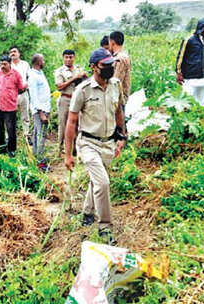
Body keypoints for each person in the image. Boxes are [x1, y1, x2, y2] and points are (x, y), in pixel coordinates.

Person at [64, 48, 127, 243]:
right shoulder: (82, 91)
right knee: (103, 182)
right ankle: (105, 227)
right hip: (88, 143)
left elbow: (119, 112)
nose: (109, 69)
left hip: (108, 143)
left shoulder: (115, 85)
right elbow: (71, 122)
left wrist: (122, 135)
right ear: (93, 67)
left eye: (111, 65)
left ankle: (87, 213)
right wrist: (68, 154)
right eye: (105, 66)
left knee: (96, 181)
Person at [0, 55, 27, 157]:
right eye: (1, 64)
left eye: (4, 64)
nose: (2, 66)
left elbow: (21, 88)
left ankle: (11, 149)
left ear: (9, 64)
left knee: (11, 129)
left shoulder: (16, 75)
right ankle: (1, 147)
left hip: (10, 106)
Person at [54, 49, 88, 153]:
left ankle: (74, 148)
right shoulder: (59, 71)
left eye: (71, 57)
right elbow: (59, 87)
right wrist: (74, 78)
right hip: (66, 99)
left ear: (74, 57)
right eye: (66, 57)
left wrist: (85, 77)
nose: (69, 59)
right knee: (63, 124)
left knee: (77, 124)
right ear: (63, 58)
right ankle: (61, 148)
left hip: (77, 100)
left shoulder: (79, 69)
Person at [175, 18, 204, 107]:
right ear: (202, 27)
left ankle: (200, 119)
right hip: (190, 77)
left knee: (203, 105)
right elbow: (180, 56)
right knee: (186, 104)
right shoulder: (189, 40)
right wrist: (178, 72)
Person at [28, 54, 51, 171]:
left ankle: (36, 156)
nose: (44, 62)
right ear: (38, 62)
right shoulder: (33, 76)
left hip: (44, 108)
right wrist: (41, 112)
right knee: (41, 135)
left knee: (38, 133)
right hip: (39, 111)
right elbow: (34, 97)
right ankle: (41, 164)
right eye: (43, 60)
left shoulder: (39, 73)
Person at [9, 46, 32, 144]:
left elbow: (30, 76)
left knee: (25, 115)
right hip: (12, 94)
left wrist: (27, 84)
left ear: (19, 53)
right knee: (10, 116)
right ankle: (10, 137)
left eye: (14, 51)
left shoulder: (25, 64)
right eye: (11, 52)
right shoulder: (8, 65)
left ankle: (27, 135)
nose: (13, 53)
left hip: (24, 93)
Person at [108, 31, 132, 107]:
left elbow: (116, 81)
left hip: (118, 100)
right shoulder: (124, 55)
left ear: (112, 42)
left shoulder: (119, 59)